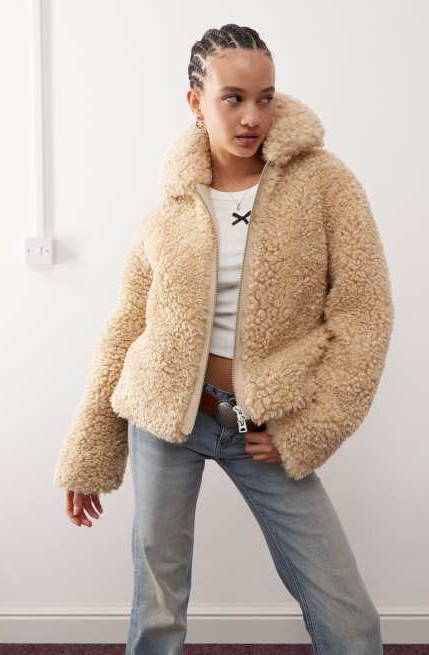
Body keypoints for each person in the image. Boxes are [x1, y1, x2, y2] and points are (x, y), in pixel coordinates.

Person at [53, 23, 394, 655]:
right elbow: (128, 326)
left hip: (262, 426)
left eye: (265, 97)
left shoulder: (323, 184)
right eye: (232, 98)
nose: (252, 116)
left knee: (349, 618)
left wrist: (309, 426)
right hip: (165, 420)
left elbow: (363, 317)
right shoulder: (173, 201)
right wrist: (89, 452)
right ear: (195, 101)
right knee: (157, 609)